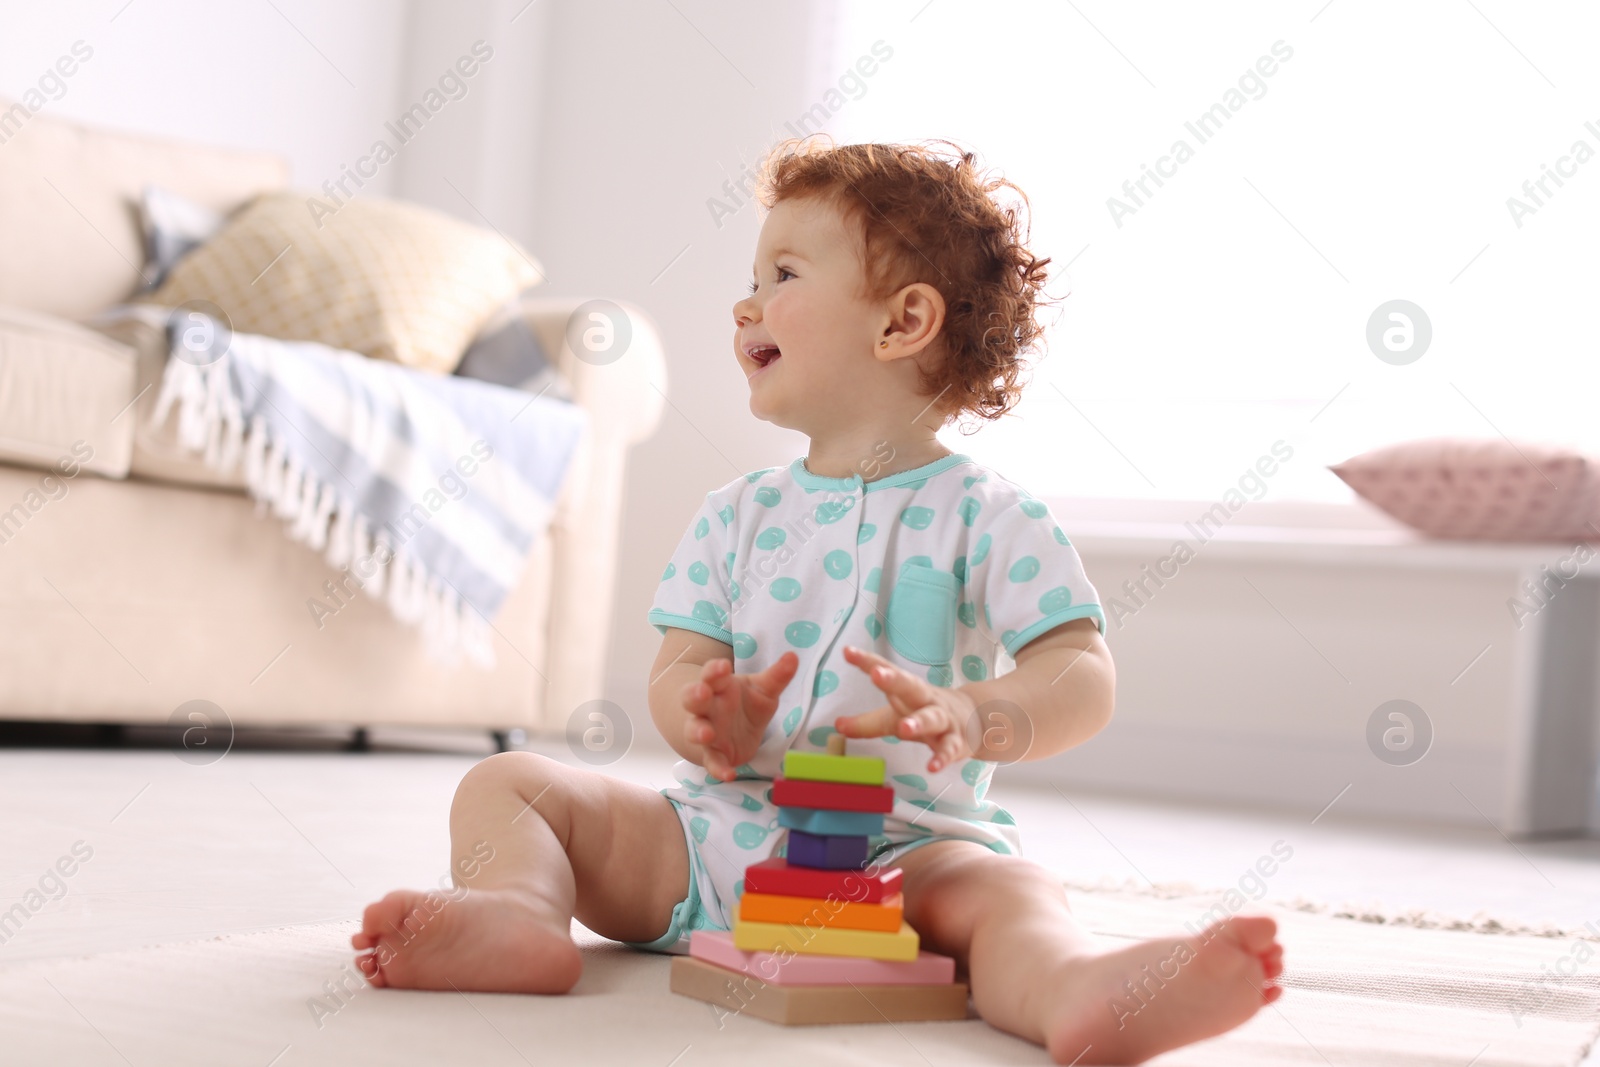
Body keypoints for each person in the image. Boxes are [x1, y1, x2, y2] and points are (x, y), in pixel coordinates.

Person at [354, 139, 1283, 1064]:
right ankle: (517, 913)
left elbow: (1079, 672)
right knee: (512, 782)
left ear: (902, 321)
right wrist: (706, 711)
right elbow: (678, 667)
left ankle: (1073, 986)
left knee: (1013, 896)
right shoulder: (737, 517)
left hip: (906, 852)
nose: (743, 302)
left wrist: (976, 711)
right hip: (713, 845)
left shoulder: (991, 516)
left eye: (783, 272)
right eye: (752, 274)